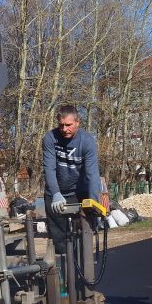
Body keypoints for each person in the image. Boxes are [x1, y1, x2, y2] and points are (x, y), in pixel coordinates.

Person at [42, 105, 101, 254]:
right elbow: (49, 168)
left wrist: (95, 205)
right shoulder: (50, 138)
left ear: (77, 122)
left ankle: (82, 273)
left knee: (81, 237)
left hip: (77, 192)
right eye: (61, 125)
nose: (64, 129)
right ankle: (63, 273)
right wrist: (55, 193)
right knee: (59, 240)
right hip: (55, 194)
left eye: (68, 125)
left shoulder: (87, 141)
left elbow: (92, 174)